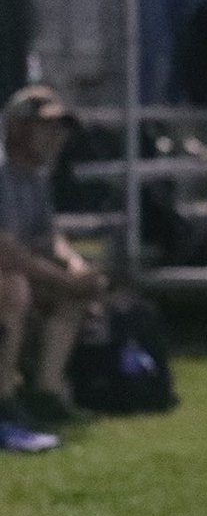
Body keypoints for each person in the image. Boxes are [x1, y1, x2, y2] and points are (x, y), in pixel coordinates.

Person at [0, 86, 108, 450]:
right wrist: (65, 279)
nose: (56, 137)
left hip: (21, 272)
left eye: (59, 129)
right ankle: (4, 401)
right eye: (45, 127)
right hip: (9, 276)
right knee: (12, 287)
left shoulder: (33, 175)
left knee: (71, 295)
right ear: (17, 128)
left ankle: (44, 394)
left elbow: (48, 238)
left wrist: (77, 268)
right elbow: (6, 251)